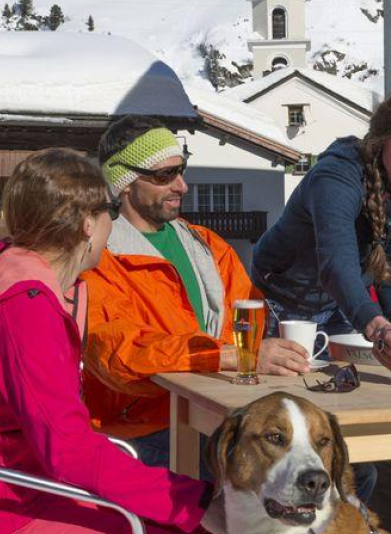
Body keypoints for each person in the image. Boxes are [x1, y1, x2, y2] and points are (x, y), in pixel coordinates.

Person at [0, 148, 217, 534]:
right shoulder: (24, 309)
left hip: (13, 494)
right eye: (109, 212)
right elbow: (69, 450)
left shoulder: (23, 283)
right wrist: (195, 501)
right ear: (86, 224)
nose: (112, 223)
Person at [251, 83, 391, 534]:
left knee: (348, 436)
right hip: (277, 305)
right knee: (281, 438)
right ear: (382, 137)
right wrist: (376, 325)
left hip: (335, 309)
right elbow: (337, 265)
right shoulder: (336, 178)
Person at [81, 117, 308, 469]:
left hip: (220, 410)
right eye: (163, 175)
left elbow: (248, 322)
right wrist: (226, 357)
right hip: (146, 427)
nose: (182, 185)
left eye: (181, 170)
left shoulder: (208, 245)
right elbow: (118, 351)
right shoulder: (101, 257)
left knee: (341, 464)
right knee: (272, 479)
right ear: (124, 183)